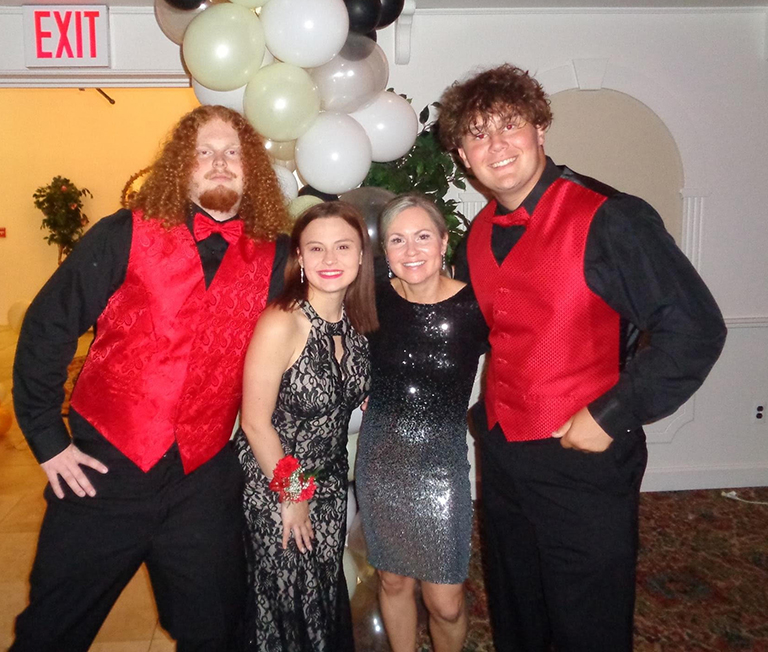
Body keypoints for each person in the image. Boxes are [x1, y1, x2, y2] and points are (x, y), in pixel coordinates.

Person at [437, 64, 727, 652]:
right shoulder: (475, 235)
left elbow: (695, 329)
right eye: (477, 133)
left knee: (586, 619)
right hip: (504, 454)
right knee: (518, 606)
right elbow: (471, 333)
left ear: (541, 130)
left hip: (583, 456)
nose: (496, 144)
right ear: (463, 157)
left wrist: (611, 414)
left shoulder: (611, 218)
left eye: (510, 125)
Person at [11, 105, 290, 651]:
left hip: (204, 478)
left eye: (232, 153)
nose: (218, 163)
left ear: (251, 169)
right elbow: (47, 327)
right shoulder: (121, 234)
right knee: (51, 631)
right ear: (179, 168)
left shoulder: (278, 255)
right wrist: (48, 441)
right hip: (103, 471)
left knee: (216, 631)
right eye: (203, 152)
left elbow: (336, 299)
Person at [235, 201, 377, 652]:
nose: (329, 260)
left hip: (330, 483)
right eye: (316, 248)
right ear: (299, 256)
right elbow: (255, 423)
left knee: (319, 592)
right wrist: (292, 497)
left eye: (342, 247)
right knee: (282, 598)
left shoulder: (355, 324)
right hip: (273, 478)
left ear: (360, 256)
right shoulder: (282, 322)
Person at [355, 194, 488, 652]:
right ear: (385, 252)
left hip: (440, 465)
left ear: (444, 242)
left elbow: (527, 358)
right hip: (381, 458)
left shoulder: (476, 307)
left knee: (445, 601)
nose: (411, 251)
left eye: (423, 237)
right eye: (398, 240)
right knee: (393, 581)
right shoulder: (370, 294)